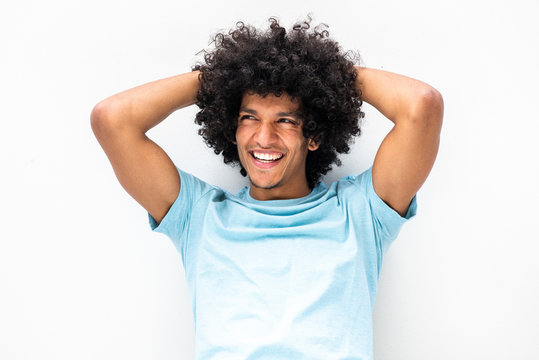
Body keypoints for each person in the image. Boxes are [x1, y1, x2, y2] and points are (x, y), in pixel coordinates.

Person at [91, 17, 443, 360]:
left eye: (285, 120)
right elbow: (113, 119)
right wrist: (220, 79)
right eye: (249, 117)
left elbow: (421, 106)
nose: (263, 137)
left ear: (315, 135)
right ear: (232, 128)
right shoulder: (198, 215)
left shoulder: (361, 212)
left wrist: (327, 76)